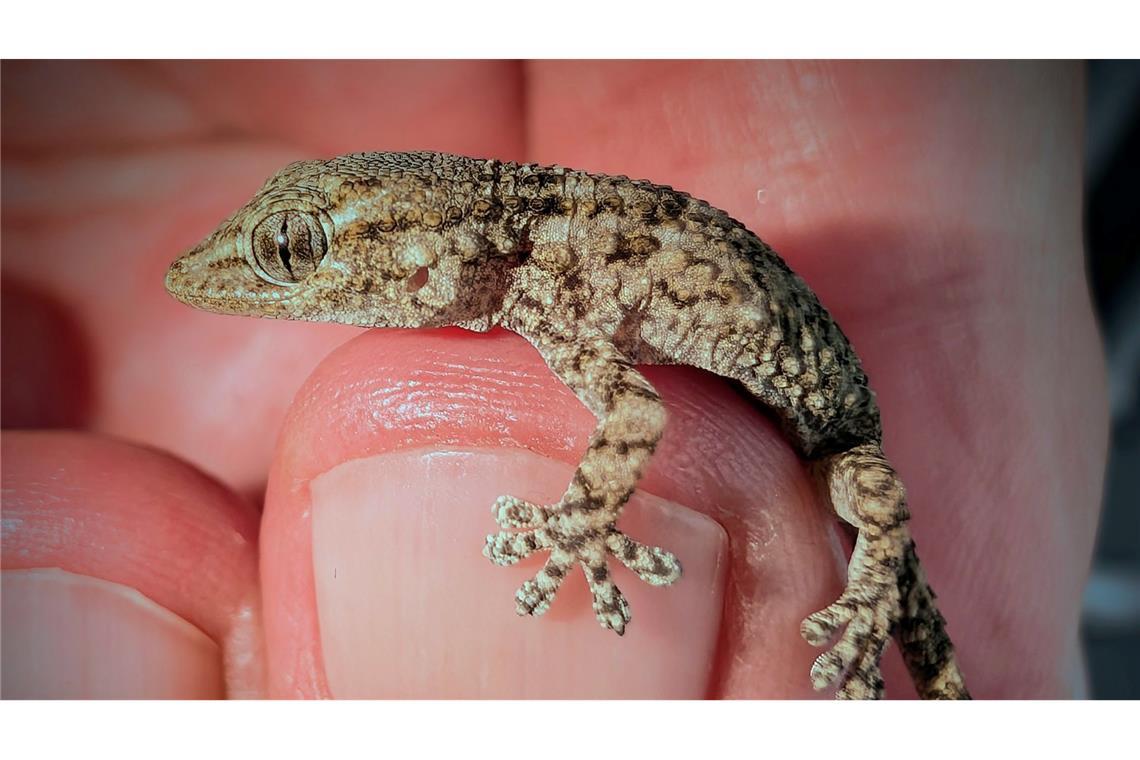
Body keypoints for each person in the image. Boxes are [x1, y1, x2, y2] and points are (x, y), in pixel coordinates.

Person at [0, 60, 1105, 698]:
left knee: (865, 515)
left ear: (419, 249)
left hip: (834, 441)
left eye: (299, 249)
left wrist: (579, 524)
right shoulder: (533, 269)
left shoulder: (555, 283)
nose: (256, 270)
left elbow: (633, 411)